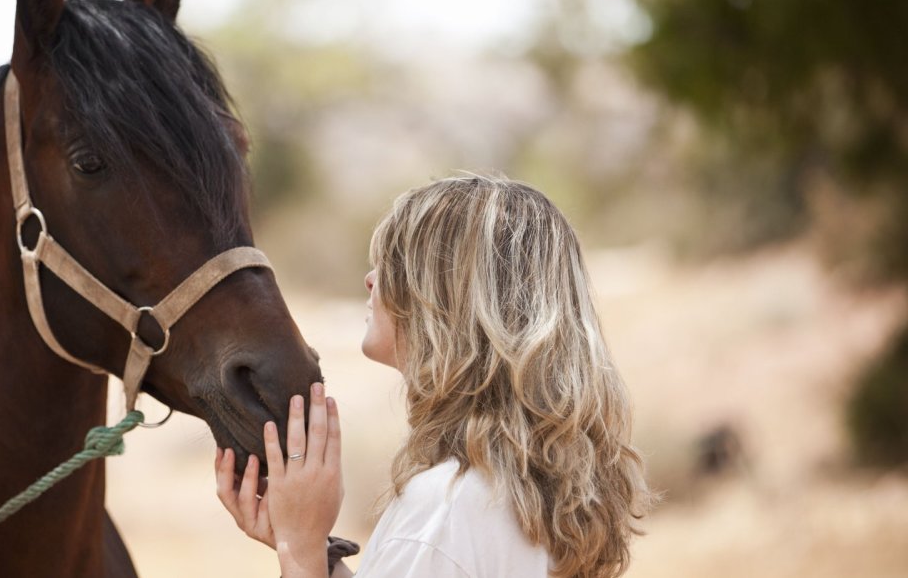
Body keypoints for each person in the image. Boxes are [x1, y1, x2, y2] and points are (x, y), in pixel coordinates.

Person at [215, 174, 654, 578]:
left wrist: (301, 553)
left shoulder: (444, 513)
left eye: (392, 262)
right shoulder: (521, 496)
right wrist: (313, 547)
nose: (370, 280)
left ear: (443, 297)